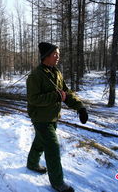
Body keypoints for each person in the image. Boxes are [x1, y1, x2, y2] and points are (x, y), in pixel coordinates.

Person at [26, 42, 88, 192]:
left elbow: (66, 93)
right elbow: (33, 99)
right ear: (46, 56)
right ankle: (57, 183)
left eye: (58, 54)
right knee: (52, 147)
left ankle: (32, 163)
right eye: (55, 54)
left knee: (40, 141)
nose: (58, 56)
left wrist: (80, 107)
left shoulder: (57, 73)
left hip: (52, 117)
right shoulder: (35, 76)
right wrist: (55, 96)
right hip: (40, 118)